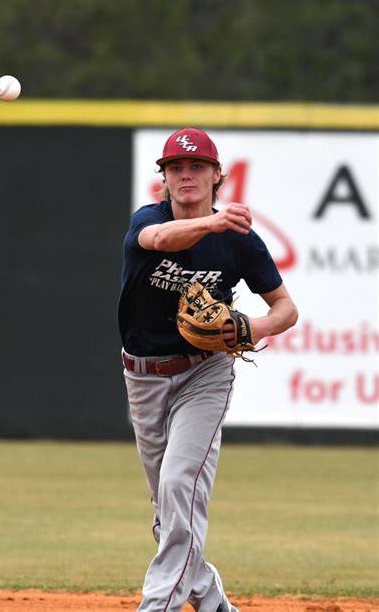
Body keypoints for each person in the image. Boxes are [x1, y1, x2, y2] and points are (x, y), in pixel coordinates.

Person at [118, 128, 298, 612]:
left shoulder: (239, 242)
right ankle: (214, 601)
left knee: (181, 484)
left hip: (205, 374)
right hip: (143, 374)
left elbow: (286, 308)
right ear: (164, 178)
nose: (186, 175)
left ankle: (159, 604)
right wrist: (212, 226)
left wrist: (252, 326)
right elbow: (159, 239)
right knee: (168, 507)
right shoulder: (148, 221)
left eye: (197, 167)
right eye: (176, 167)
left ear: (217, 175)